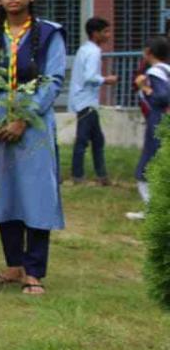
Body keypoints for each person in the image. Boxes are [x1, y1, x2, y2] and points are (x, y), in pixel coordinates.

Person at [0, 0, 66, 296]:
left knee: (36, 192)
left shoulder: (49, 33)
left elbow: (53, 81)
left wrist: (24, 119)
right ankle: (14, 264)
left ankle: (34, 271)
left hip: (33, 122)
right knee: (5, 192)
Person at [68, 17, 118, 185]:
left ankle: (101, 175)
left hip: (84, 100)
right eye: (106, 32)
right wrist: (107, 79)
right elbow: (90, 76)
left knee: (97, 139)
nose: (109, 35)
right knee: (83, 140)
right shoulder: (94, 52)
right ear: (95, 34)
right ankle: (78, 175)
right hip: (86, 102)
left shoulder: (84, 49)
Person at [128, 35, 170, 220]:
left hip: (158, 123)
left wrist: (144, 87)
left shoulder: (155, 73)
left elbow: (162, 97)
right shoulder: (167, 70)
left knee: (145, 170)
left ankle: (153, 212)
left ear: (148, 52)